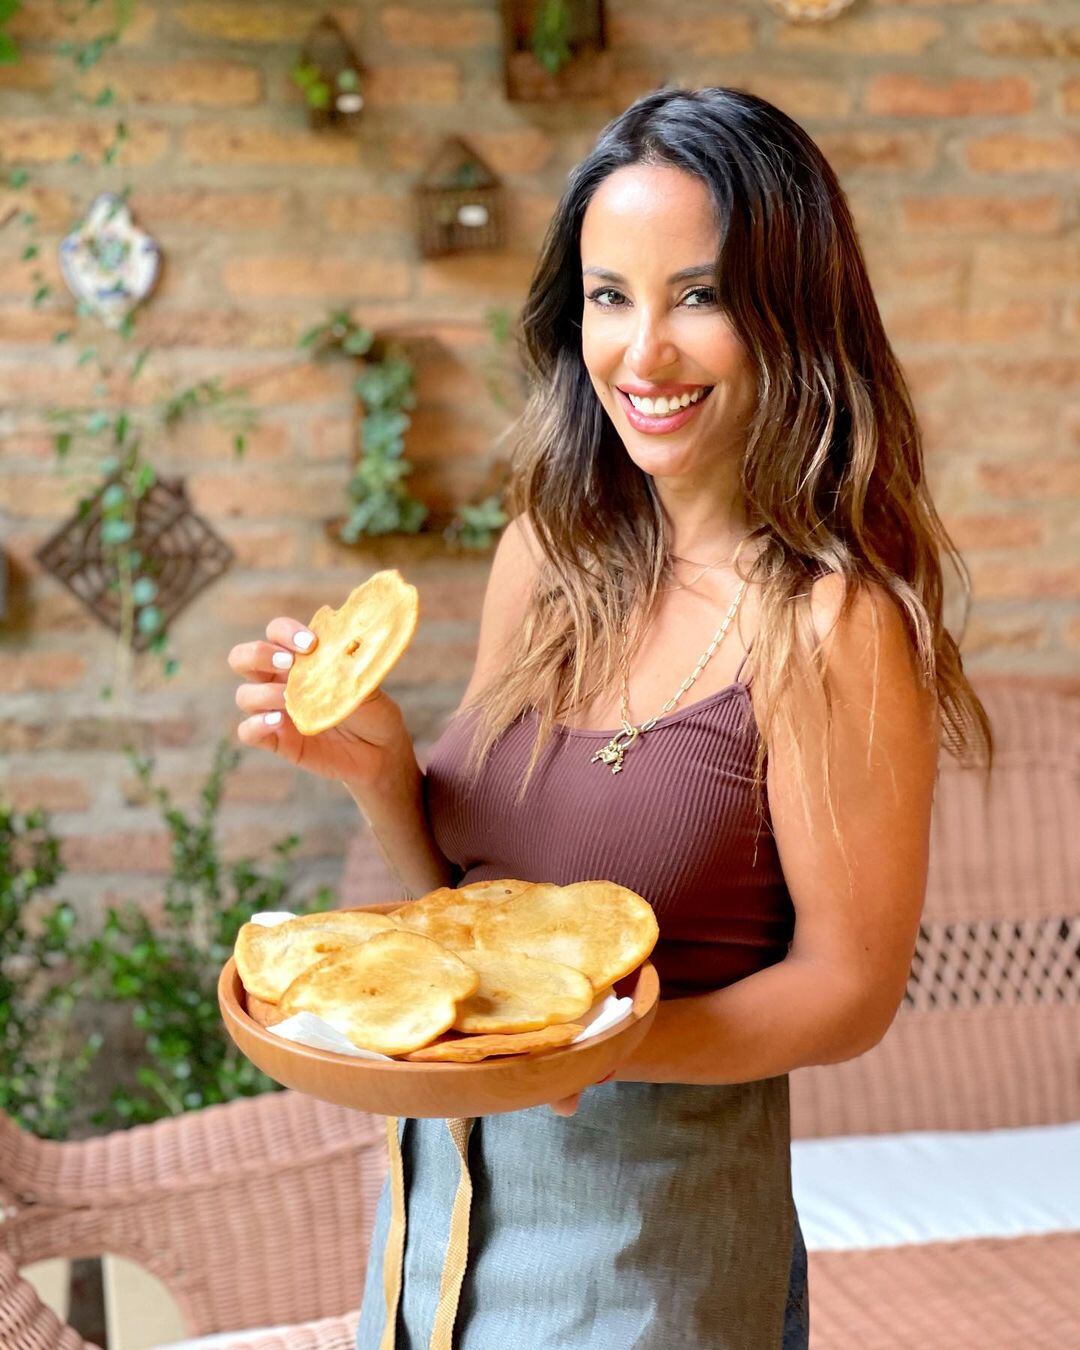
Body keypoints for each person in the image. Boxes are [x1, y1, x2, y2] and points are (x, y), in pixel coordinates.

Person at [229, 86, 992, 1350]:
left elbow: (849, 992)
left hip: (656, 1266)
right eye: (607, 295)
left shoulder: (830, 624)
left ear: (792, 313)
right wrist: (380, 774)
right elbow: (473, 921)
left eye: (698, 296)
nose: (641, 355)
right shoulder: (548, 554)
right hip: (432, 1242)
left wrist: (589, 1054)